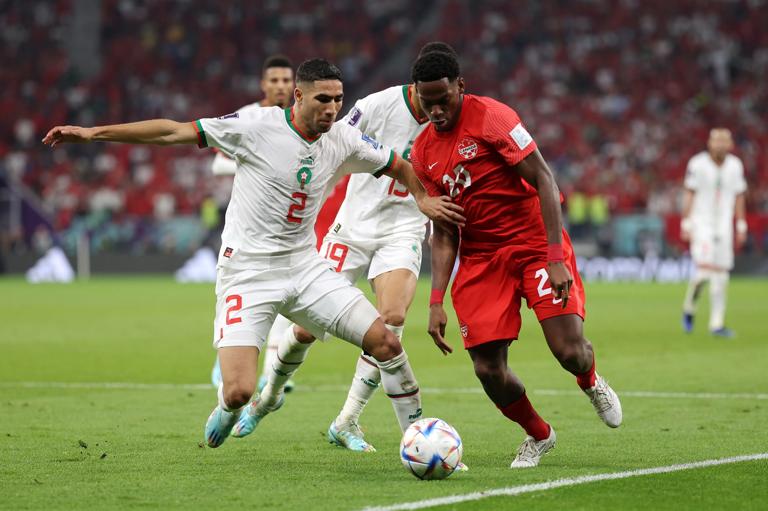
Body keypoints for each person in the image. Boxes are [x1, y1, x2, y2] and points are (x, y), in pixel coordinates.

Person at [43, 58, 465, 449]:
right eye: (323, 99)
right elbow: (174, 131)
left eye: (338, 99)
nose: (333, 108)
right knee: (239, 390)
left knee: (387, 343)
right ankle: (231, 407)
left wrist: (423, 199)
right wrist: (93, 133)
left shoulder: (344, 137)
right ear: (298, 97)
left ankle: (418, 439)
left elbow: (400, 165)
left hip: (305, 267)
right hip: (247, 272)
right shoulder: (254, 127)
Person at [231, 42, 458, 453]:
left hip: (403, 229)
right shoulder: (377, 105)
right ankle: (268, 399)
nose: (436, 110)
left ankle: (347, 419)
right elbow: (330, 144)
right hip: (352, 228)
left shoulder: (456, 117)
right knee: (303, 331)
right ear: (415, 88)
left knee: (390, 319)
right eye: (429, 100)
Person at [409, 51, 622, 469]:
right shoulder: (422, 153)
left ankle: (590, 379)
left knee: (569, 351)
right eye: (426, 101)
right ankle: (539, 435)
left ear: (460, 87)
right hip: (481, 258)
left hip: (532, 244)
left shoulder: (493, 118)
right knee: (487, 369)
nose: (435, 111)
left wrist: (554, 255)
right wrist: (435, 300)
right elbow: (446, 229)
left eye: (443, 99)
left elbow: (543, 177)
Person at [209, 55, 297, 390]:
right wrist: (268, 167)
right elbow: (218, 164)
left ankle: (271, 367)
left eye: (286, 81)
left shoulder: (301, 119)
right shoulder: (248, 116)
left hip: (289, 223)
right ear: (264, 84)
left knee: (286, 295)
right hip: (250, 224)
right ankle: (224, 359)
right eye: (274, 80)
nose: (280, 87)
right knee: (239, 296)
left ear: (294, 85)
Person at [680, 128, 747, 338]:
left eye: (724, 141)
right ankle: (689, 307)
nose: (719, 144)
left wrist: (741, 225)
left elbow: (739, 196)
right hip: (702, 224)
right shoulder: (697, 164)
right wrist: (686, 222)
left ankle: (716, 324)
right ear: (709, 143)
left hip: (724, 226)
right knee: (704, 272)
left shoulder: (735, 166)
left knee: (722, 275)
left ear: (730, 144)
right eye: (716, 140)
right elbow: (689, 193)